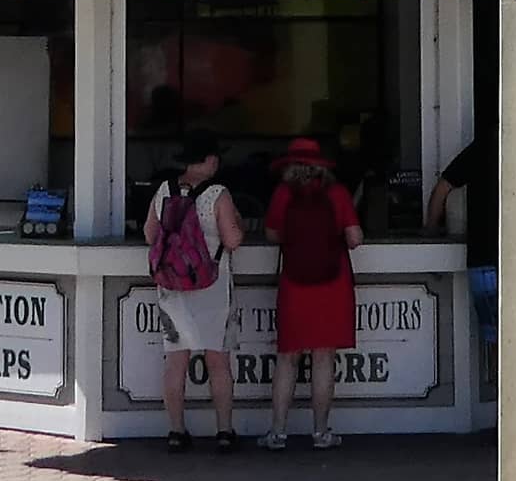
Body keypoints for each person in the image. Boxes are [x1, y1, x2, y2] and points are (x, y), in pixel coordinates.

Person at [141, 132, 246, 454]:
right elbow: (232, 240)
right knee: (218, 362)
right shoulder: (218, 194)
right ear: (210, 160)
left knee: (176, 363)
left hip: (172, 286)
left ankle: (176, 431)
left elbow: (149, 235)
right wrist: (239, 224)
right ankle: (225, 431)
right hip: (212, 286)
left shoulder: (164, 190)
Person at [262, 136, 365, 450]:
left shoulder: (283, 193)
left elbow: (271, 234)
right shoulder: (336, 193)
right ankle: (321, 432)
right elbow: (355, 238)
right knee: (323, 359)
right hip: (332, 284)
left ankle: (277, 432)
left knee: (287, 359)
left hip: (294, 282)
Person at [425, 128, 498, 352]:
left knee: (496, 344)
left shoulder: (484, 146)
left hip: (483, 260)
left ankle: (502, 386)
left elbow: (441, 189)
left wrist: (431, 232)